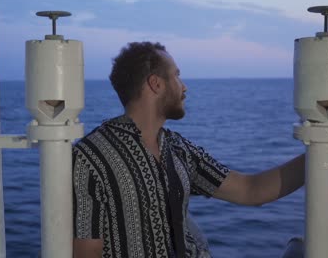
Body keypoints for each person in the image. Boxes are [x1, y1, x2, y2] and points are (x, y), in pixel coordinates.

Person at [72, 41, 306, 258]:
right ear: (156, 84)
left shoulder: (177, 147)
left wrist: (326, 152)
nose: (184, 87)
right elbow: (86, 252)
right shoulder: (90, 157)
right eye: (177, 76)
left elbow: (249, 190)